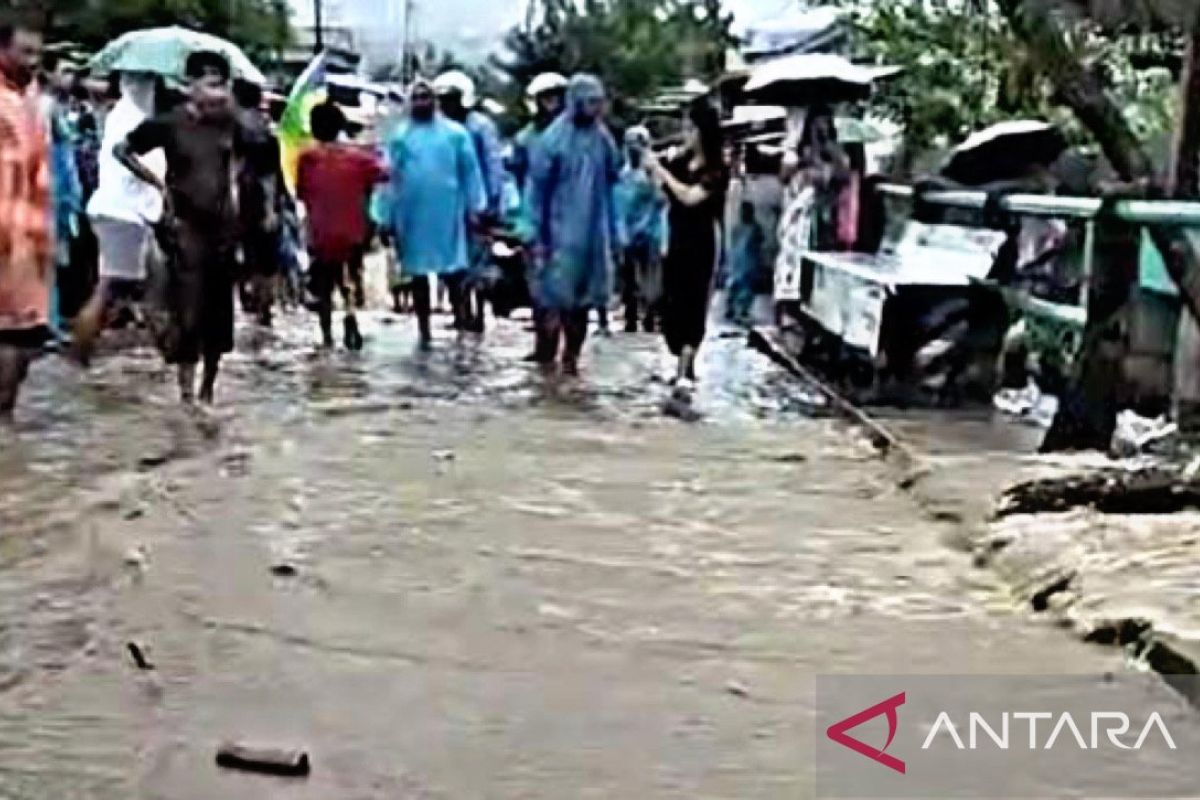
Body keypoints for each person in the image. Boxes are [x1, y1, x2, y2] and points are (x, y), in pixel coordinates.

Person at [115, 50, 244, 405]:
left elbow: (246, 156)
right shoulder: (168, 123)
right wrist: (156, 182)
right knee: (189, 310)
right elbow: (122, 150)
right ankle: (186, 393)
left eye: (223, 84)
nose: (218, 92)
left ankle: (207, 392)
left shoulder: (228, 124)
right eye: (211, 84)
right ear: (191, 86)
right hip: (185, 229)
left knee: (219, 314)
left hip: (223, 227)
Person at [525, 73, 620, 374]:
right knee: (555, 300)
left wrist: (616, 232)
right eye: (590, 102)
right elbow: (537, 190)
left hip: (594, 232)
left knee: (584, 303)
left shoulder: (602, 138)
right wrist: (535, 234)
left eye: (599, 102)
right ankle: (548, 362)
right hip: (559, 234)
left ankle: (571, 362)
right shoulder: (552, 140)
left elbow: (615, 175)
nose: (596, 109)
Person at [382, 78, 485, 348]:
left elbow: (470, 172)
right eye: (416, 98)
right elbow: (388, 178)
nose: (422, 103)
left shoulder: (456, 134)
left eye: (426, 97)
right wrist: (384, 216)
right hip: (412, 213)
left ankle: (462, 323)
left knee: (454, 272)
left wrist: (476, 206)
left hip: (448, 212)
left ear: (435, 102)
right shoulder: (400, 137)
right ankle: (424, 329)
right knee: (417, 275)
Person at [73, 72, 165, 362]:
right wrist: (158, 183)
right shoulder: (134, 117)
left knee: (129, 289)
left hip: (117, 212)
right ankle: (80, 357)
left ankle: (85, 358)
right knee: (115, 290)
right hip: (124, 214)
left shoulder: (122, 114)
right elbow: (124, 156)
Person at [646, 98, 729, 391]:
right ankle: (682, 363)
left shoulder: (717, 168)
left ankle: (685, 365)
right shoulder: (680, 161)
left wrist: (662, 171)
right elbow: (661, 191)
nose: (685, 134)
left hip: (702, 240)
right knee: (671, 300)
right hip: (675, 236)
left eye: (690, 128)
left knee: (694, 302)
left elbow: (690, 197)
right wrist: (656, 166)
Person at [296, 101, 385, 350]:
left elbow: (302, 192)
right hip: (353, 230)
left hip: (321, 230)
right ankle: (350, 314)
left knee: (324, 283)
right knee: (350, 275)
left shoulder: (307, 159)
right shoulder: (360, 158)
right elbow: (385, 174)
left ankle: (326, 333)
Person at [0, 17, 52, 420]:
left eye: (38, 53)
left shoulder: (28, 99)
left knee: (26, 336)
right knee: (12, 335)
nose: (34, 61)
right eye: (26, 52)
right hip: (7, 235)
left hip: (29, 233)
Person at [434, 70, 505, 332]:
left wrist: (491, 204)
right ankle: (460, 312)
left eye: (451, 98)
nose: (447, 104)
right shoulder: (438, 129)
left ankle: (477, 313)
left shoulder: (480, 127)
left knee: (477, 265)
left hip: (476, 207)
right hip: (446, 208)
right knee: (450, 266)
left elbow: (492, 166)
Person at [232, 78, 283, 327]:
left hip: (244, 198)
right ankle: (264, 309)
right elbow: (272, 176)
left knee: (249, 256)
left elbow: (266, 174)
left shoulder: (236, 129)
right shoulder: (267, 130)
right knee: (265, 259)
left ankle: (255, 304)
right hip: (259, 199)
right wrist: (272, 209)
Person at [42, 53, 81, 340]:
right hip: (49, 192)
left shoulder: (58, 107)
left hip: (62, 193)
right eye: (65, 70)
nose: (72, 76)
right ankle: (47, 323)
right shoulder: (44, 106)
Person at [615, 125, 666, 333]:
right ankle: (631, 317)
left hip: (651, 234)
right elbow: (618, 208)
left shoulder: (654, 174)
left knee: (651, 280)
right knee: (629, 280)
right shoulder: (623, 175)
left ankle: (650, 316)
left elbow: (662, 201)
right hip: (629, 235)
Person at [725, 200, 765, 326]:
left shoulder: (753, 228)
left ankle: (740, 310)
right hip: (741, 262)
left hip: (746, 262)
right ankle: (735, 310)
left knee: (743, 287)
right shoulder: (744, 227)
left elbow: (759, 242)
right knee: (737, 286)